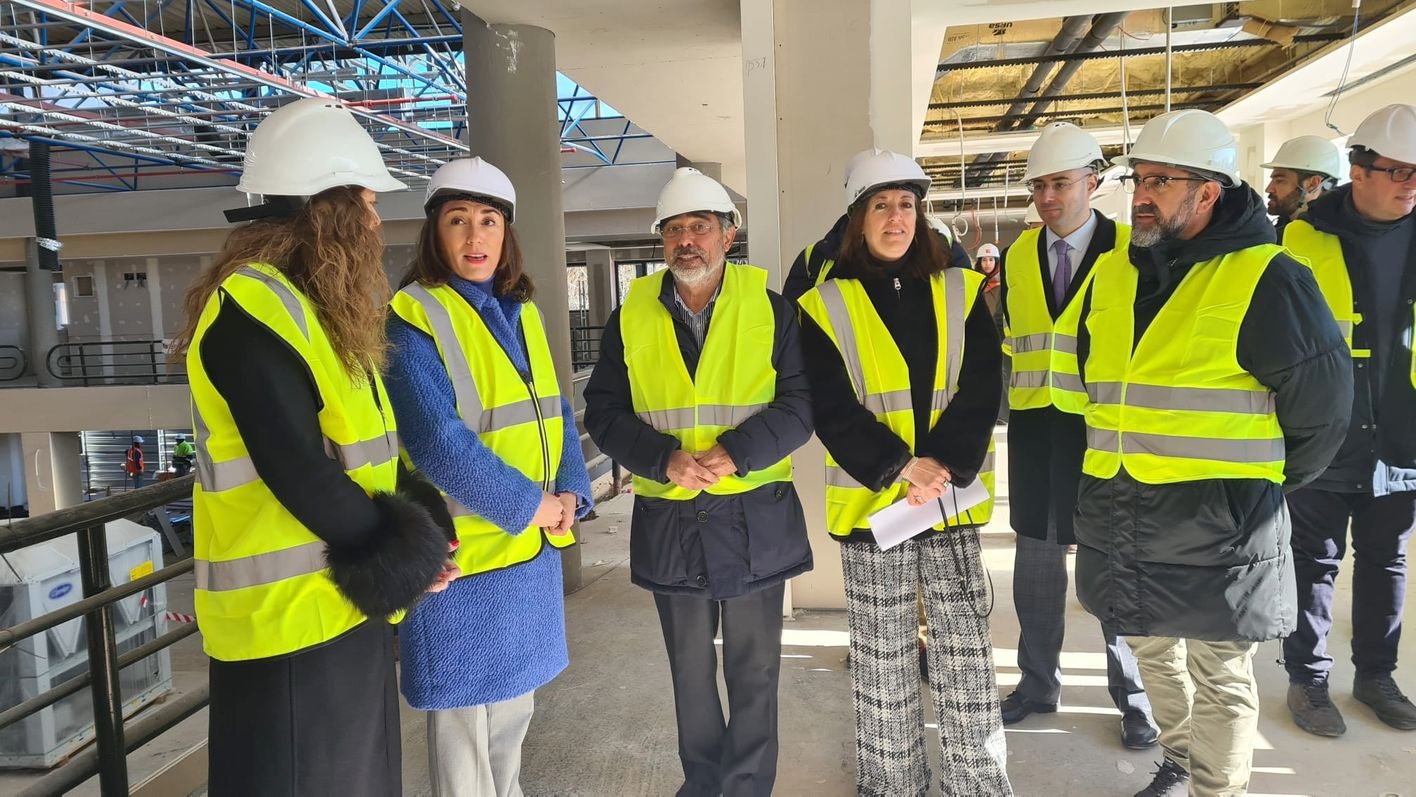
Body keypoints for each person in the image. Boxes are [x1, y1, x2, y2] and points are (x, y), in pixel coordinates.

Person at [1053, 109, 1351, 796]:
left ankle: (1218, 789)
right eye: (1139, 180)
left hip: (1221, 528)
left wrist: (1257, 487)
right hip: (1125, 514)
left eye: (1161, 180)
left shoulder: (1268, 276)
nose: (1143, 194)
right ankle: (1183, 758)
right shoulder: (1113, 275)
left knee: (1220, 673)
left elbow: (1324, 411)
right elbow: (1089, 379)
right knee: (1152, 654)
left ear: (1209, 191)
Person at [169, 98, 458, 797]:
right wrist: (410, 559)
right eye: (365, 201)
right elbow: (297, 470)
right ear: (325, 212)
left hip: (337, 602)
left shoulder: (313, 311)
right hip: (285, 627)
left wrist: (424, 538)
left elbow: (367, 452)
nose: (374, 219)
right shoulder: (251, 311)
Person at [584, 167, 813, 797]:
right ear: (662, 240)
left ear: (727, 234)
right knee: (689, 669)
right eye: (675, 230)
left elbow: (800, 407)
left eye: (700, 227)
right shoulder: (630, 316)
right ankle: (704, 785)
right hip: (672, 519)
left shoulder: (771, 310)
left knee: (754, 668)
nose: (687, 241)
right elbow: (603, 412)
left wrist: (736, 453)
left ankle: (745, 788)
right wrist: (662, 459)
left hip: (753, 517)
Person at [796, 148, 1011, 796]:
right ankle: (891, 785)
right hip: (874, 515)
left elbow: (981, 388)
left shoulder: (962, 289)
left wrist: (940, 465)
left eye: (907, 205)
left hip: (948, 504)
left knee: (965, 662)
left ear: (922, 214)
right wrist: (899, 466)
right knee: (884, 666)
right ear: (858, 218)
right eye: (882, 205)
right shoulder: (824, 304)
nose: (896, 217)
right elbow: (828, 405)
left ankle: (978, 784)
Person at [385, 157, 594, 797]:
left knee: (513, 713)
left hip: (524, 549)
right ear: (434, 233)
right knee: (460, 729)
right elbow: (436, 443)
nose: (475, 238)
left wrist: (569, 494)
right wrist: (530, 505)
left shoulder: (519, 311)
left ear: (506, 234)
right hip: (458, 559)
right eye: (458, 221)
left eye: (488, 222)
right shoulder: (413, 317)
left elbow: (553, 409)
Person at [996, 122, 1157, 749]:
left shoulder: (1133, 249)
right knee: (1035, 567)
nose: (1046, 198)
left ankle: (1136, 700)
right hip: (1037, 430)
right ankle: (1038, 683)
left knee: (1115, 567)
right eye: (1038, 186)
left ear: (1094, 180)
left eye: (1059, 183)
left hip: (1106, 432)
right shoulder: (1016, 254)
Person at [1279, 103, 1416, 737]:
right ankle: (1307, 681)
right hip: (1327, 431)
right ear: (1358, 170)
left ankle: (1375, 676)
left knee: (1387, 558)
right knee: (1316, 558)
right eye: (1397, 170)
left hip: (1404, 431)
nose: (1410, 184)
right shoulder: (1300, 238)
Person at [1263, 134, 1343, 238]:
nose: (1268, 189)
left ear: (1313, 183)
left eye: (1280, 181)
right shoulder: (1277, 231)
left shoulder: (1335, 237)